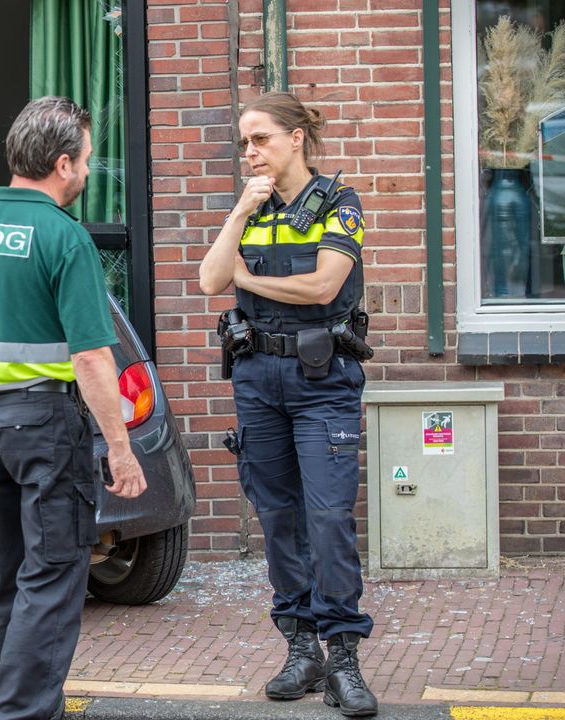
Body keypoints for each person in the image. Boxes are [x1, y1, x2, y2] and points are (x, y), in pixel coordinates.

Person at [0, 96, 146, 720]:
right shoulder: (64, 237)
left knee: (10, 575)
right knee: (54, 573)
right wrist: (120, 449)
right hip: (44, 425)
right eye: (88, 160)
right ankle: (19, 713)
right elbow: (92, 358)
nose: (89, 171)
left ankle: (25, 702)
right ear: (63, 164)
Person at [198, 92, 378, 717]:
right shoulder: (251, 208)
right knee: (277, 517)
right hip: (257, 380)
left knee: (327, 518)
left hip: (322, 379)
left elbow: (323, 285)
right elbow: (209, 279)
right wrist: (238, 212)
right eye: (243, 143)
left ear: (296, 138)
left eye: (261, 139)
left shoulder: (338, 202)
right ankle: (302, 648)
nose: (249, 152)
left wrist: (247, 278)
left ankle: (343, 656)